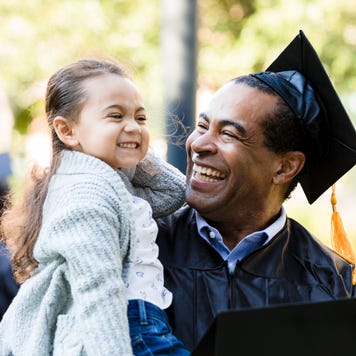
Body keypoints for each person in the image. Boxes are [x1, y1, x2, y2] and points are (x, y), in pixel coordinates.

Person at [157, 30, 356, 351]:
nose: (199, 145)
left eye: (229, 135)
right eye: (203, 126)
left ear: (285, 166)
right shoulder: (146, 246)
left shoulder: (331, 283)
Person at [0, 58, 189, 355]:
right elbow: (99, 293)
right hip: (127, 327)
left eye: (140, 118)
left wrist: (131, 148)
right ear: (67, 131)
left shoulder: (110, 179)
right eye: (115, 116)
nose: (133, 127)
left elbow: (174, 192)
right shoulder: (87, 194)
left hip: (143, 323)